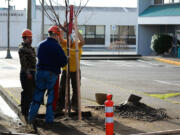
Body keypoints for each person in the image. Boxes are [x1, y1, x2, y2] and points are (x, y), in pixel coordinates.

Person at [28, 25, 67, 123]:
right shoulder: (57, 47)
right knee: (51, 96)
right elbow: (63, 62)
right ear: (56, 35)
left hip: (40, 73)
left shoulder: (41, 44)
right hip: (52, 74)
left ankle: (31, 117)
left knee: (37, 95)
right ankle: (49, 120)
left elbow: (38, 57)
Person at [57, 23, 85, 112]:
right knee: (62, 88)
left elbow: (83, 41)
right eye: (69, 38)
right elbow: (60, 38)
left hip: (76, 70)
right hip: (66, 70)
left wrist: (75, 29)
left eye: (72, 38)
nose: (71, 39)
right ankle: (61, 105)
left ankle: (74, 105)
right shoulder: (65, 44)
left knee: (76, 88)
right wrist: (63, 28)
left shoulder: (77, 45)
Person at [18, 29, 36, 121]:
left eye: (31, 37)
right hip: (26, 73)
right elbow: (23, 63)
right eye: (29, 38)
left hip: (32, 72)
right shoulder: (22, 48)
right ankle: (25, 112)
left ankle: (26, 111)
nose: (31, 39)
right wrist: (28, 72)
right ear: (24, 38)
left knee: (30, 92)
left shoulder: (30, 48)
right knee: (28, 93)